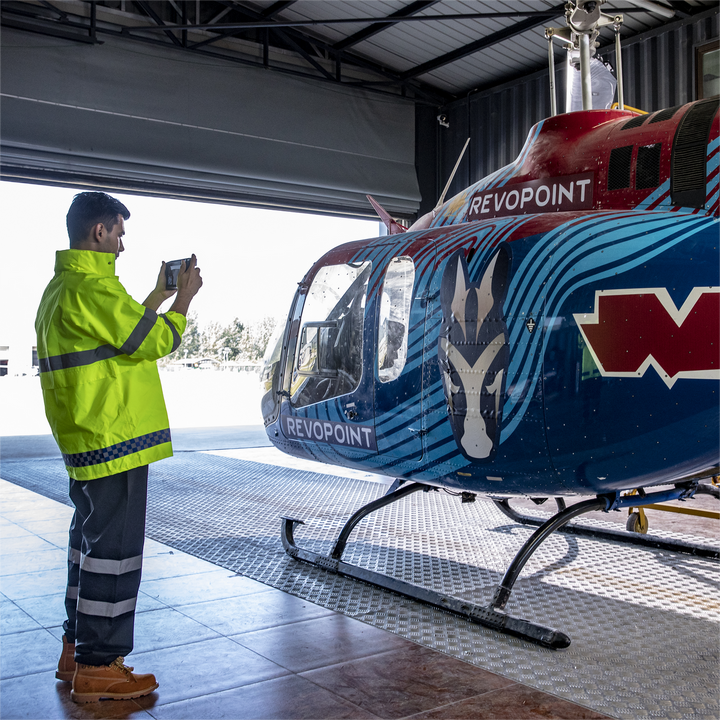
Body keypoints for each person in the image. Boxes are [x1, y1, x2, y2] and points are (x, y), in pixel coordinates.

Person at [35, 191, 203, 703]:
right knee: (114, 553)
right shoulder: (95, 288)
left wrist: (154, 296)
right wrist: (184, 300)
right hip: (116, 439)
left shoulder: (62, 289)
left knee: (87, 547)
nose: (123, 245)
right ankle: (99, 665)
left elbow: (123, 336)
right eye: (120, 233)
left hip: (88, 438)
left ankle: (75, 649)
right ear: (100, 231)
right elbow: (153, 342)